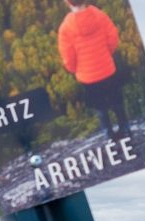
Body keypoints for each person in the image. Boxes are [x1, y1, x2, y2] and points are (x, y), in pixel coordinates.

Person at [58, 0, 130, 140]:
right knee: (117, 101)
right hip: (108, 69)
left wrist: (76, 70)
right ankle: (125, 128)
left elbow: (68, 58)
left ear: (68, 3)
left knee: (100, 108)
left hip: (87, 77)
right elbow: (113, 37)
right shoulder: (100, 15)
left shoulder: (65, 28)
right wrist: (106, 55)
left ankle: (108, 135)